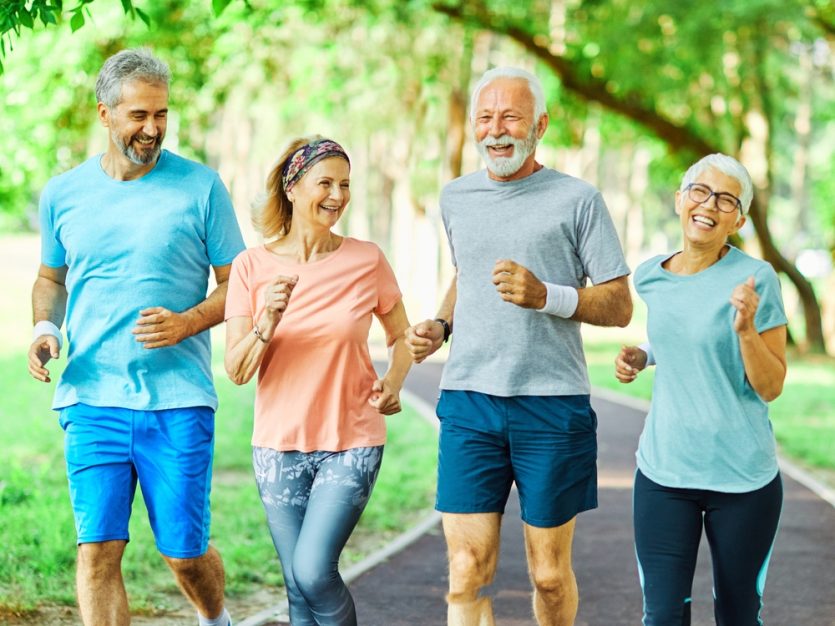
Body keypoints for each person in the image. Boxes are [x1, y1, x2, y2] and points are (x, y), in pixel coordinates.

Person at [406, 67, 632, 626]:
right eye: (486, 117)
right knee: (465, 567)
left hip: (551, 405)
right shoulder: (456, 196)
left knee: (549, 576)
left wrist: (545, 296)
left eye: (510, 117)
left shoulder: (578, 199)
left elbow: (619, 303)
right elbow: (468, 272)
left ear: (540, 124)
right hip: (469, 402)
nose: (496, 130)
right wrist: (441, 323)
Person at [27, 48, 243, 626]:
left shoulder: (201, 188)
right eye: (139, 116)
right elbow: (51, 278)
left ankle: (215, 618)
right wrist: (45, 327)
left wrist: (188, 322)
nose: (152, 129)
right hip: (91, 397)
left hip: (177, 399)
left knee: (184, 554)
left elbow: (239, 285)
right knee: (97, 551)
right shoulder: (63, 193)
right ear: (105, 114)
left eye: (162, 115)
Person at [223, 136, 412, 626]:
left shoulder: (366, 259)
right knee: (294, 585)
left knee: (312, 571)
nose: (337, 195)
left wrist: (394, 378)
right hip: (278, 444)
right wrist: (269, 317)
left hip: (351, 440)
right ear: (291, 186)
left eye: (345, 185)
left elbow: (402, 337)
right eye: (324, 183)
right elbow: (237, 370)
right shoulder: (251, 267)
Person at [614, 153, 787, 625]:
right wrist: (643, 355)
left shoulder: (757, 280)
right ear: (679, 199)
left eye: (726, 198)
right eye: (700, 191)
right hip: (665, 473)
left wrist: (748, 329)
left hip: (742, 478)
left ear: (739, 219)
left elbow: (770, 386)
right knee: (663, 616)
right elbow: (679, 334)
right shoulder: (650, 275)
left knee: (737, 615)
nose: (709, 204)